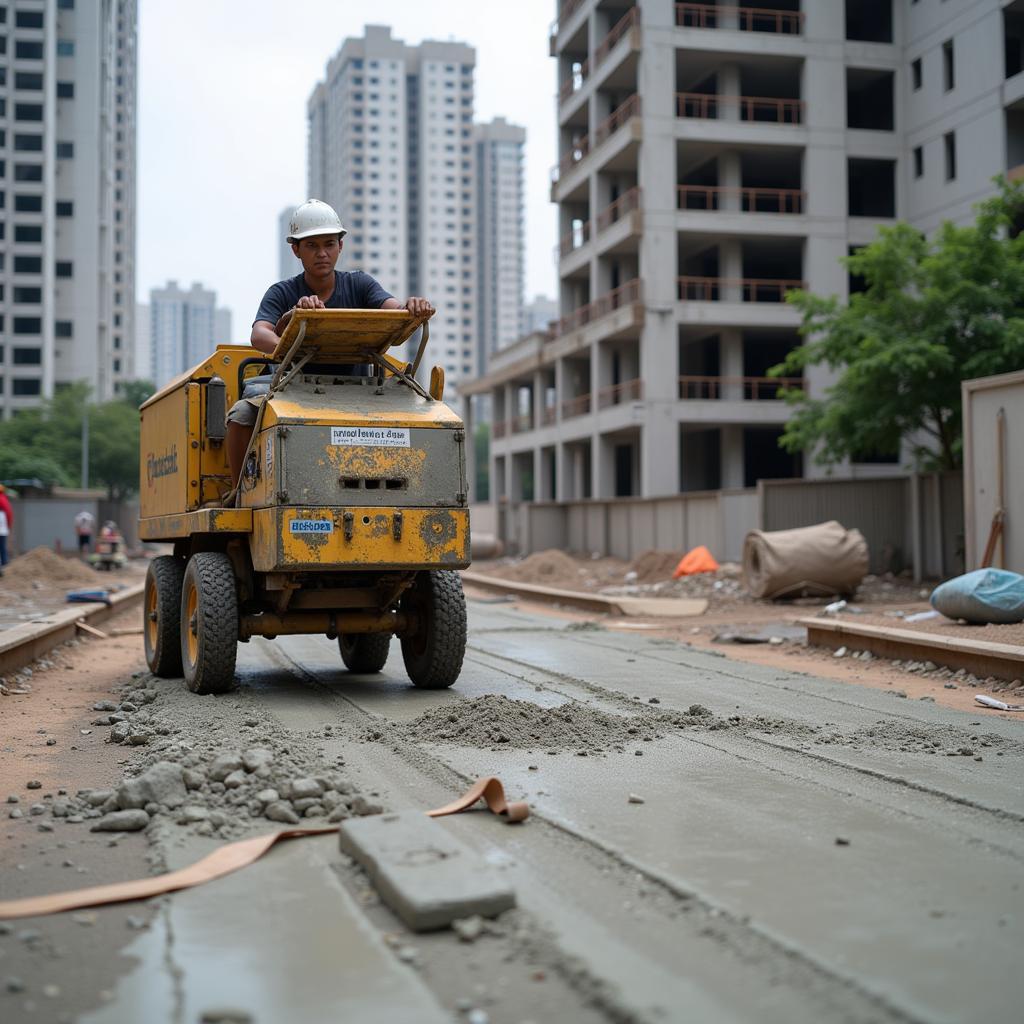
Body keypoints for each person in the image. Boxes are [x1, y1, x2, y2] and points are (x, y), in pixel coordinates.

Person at [226, 199, 434, 488]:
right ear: (296, 250)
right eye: (311, 246)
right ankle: (240, 494)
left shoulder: (359, 284)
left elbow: (394, 310)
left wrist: (413, 308)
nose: (322, 253)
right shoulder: (282, 292)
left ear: (340, 246)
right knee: (240, 414)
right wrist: (289, 328)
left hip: (357, 390)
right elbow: (259, 333)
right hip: (293, 387)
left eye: (329, 244)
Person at [0, 484, 11, 574]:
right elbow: (9, 515)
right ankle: (4, 565)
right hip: (3, 530)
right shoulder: (5, 500)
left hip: (3, 529)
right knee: (3, 548)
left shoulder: (2, 500)